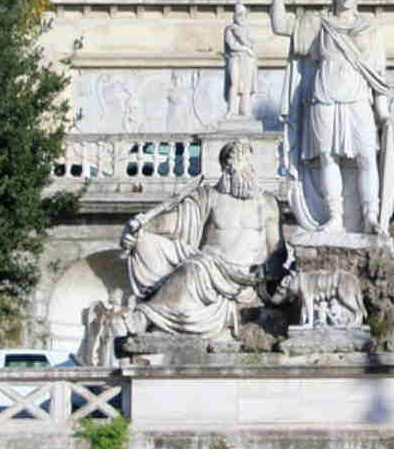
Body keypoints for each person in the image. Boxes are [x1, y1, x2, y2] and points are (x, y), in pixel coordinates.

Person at [272, 0, 394, 237]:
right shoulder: (318, 24)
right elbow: (280, 25)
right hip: (324, 98)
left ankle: (370, 216)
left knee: (367, 156)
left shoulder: (371, 29)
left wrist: (384, 113)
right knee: (328, 157)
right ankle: (335, 217)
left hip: (357, 98)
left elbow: (377, 77)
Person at [120, 143, 282, 337]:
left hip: (245, 276)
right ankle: (148, 315)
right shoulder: (208, 197)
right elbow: (174, 222)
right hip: (209, 264)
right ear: (224, 169)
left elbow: (277, 250)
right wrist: (142, 227)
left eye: (244, 164)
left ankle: (146, 316)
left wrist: (268, 270)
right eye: (232, 166)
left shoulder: (268, 203)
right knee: (149, 244)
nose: (238, 171)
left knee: (194, 269)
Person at [223, 3, 258, 120]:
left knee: (247, 86)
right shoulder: (229, 29)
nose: (241, 16)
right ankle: (231, 110)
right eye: (238, 13)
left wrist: (243, 40)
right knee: (234, 83)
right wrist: (246, 48)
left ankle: (245, 111)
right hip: (235, 58)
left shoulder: (248, 30)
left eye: (243, 13)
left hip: (248, 60)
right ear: (234, 15)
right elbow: (232, 45)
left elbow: (252, 44)